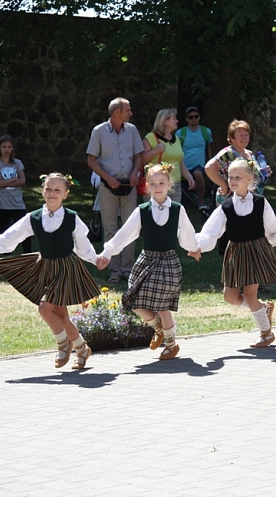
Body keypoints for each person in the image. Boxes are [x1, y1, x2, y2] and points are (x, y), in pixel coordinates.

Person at [0, 173, 101, 370]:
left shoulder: (72, 218)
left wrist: (96, 259)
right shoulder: (34, 218)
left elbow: (83, 246)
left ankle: (64, 344)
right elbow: (11, 236)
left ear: (65, 194)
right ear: (42, 191)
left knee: (45, 308)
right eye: (48, 189)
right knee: (61, 314)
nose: (52, 193)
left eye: (57, 190)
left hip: (66, 268)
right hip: (46, 267)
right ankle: (82, 348)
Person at [96, 163, 200, 361]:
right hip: (147, 259)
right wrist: (108, 252)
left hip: (168, 261)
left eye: (162, 182)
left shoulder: (177, 209)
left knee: (162, 303)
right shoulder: (141, 211)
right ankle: (159, 327)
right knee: (132, 301)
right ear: (146, 186)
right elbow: (125, 234)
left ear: (170, 184)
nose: (157, 186)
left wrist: (193, 248)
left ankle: (171, 344)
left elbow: (187, 232)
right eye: (153, 183)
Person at [196, 160, 276, 348]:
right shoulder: (225, 207)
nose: (233, 181)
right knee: (230, 296)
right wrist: (198, 246)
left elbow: (271, 228)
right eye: (230, 177)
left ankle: (266, 333)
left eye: (238, 177)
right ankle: (262, 309)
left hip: (256, 250)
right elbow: (211, 231)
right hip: (235, 252)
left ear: (250, 179)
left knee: (250, 295)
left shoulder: (261, 202)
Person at [86, 97, 144, 284]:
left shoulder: (132, 130)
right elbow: (91, 160)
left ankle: (128, 270)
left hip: (130, 186)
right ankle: (114, 270)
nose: (131, 113)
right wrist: (108, 178)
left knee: (129, 228)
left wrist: (135, 172)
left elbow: (138, 156)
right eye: (128, 110)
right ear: (117, 112)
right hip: (107, 186)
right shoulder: (99, 131)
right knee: (110, 228)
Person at [204, 119, 269, 254]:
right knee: (234, 237)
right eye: (240, 135)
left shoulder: (249, 154)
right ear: (232, 138)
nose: (244, 138)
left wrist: (265, 173)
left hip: (252, 201)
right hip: (233, 202)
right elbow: (209, 167)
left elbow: (254, 175)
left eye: (246, 135)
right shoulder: (228, 153)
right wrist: (224, 185)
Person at [141, 108, 195, 204]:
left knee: (173, 215)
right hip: (156, 185)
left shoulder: (177, 139)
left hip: (175, 186)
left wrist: (189, 177)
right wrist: (156, 151)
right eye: (174, 118)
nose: (177, 121)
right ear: (165, 121)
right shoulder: (151, 137)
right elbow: (140, 160)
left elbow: (180, 164)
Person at [0, 135, 31, 254]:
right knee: (5, 231)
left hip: (17, 203)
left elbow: (23, 181)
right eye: (4, 147)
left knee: (24, 229)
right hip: (2, 204)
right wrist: (14, 180)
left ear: (12, 148)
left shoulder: (17, 163)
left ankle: (28, 253)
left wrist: (6, 182)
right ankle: (6, 255)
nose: (7, 150)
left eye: (9, 147)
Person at [176, 106, 213, 215]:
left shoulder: (206, 131)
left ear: (199, 117)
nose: (194, 119)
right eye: (191, 117)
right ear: (187, 119)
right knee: (185, 191)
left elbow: (208, 146)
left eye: (196, 116)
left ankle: (201, 201)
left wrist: (210, 162)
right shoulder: (180, 133)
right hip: (184, 166)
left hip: (199, 165)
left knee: (198, 174)